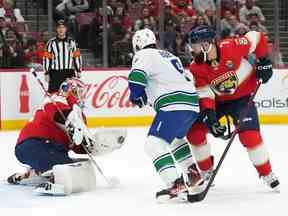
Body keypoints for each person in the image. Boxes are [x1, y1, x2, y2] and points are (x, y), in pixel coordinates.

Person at [186, 25, 280, 191]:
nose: (192, 51)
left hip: (242, 99)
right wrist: (210, 116)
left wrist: (264, 61)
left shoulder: (232, 46)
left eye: (195, 47)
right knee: (194, 132)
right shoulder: (196, 67)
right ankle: (207, 171)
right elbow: (205, 92)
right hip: (217, 102)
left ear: (207, 45)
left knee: (250, 137)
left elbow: (258, 37)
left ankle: (266, 173)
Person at [7, 78, 127, 195]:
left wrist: (93, 146)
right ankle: (48, 179)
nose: (81, 96)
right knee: (65, 169)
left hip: (50, 148)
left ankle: (32, 175)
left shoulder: (78, 116)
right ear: (69, 90)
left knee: (75, 165)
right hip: (33, 144)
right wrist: (70, 120)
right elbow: (55, 112)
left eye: (82, 93)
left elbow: (76, 144)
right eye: (78, 92)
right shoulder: (57, 98)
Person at [128, 28, 203, 202]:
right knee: (175, 140)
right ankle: (193, 175)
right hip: (192, 104)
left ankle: (175, 184)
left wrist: (135, 95)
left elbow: (137, 76)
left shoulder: (144, 54)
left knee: (153, 145)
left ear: (137, 44)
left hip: (173, 105)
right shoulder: (169, 56)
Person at [43, 19, 82, 93]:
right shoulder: (51, 43)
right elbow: (47, 58)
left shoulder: (72, 42)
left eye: (63, 27)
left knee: (70, 95)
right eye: (59, 27)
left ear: (66, 29)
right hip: (55, 73)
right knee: (54, 95)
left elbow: (76, 56)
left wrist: (78, 70)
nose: (61, 29)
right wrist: (46, 72)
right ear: (56, 29)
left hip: (69, 72)